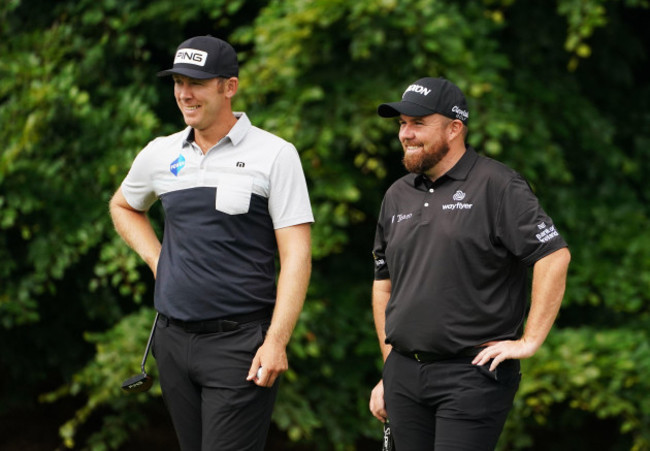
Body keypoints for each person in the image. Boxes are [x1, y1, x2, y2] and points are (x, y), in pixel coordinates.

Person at [109, 35, 313, 451]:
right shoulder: (159, 154)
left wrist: (276, 341)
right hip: (172, 341)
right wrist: (157, 259)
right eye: (178, 82)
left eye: (197, 83)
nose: (185, 93)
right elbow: (123, 206)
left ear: (229, 87)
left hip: (240, 345)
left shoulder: (275, 154)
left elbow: (297, 255)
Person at [368, 77, 571, 450]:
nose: (406, 134)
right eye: (401, 124)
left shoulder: (498, 185)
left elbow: (553, 255)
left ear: (454, 128)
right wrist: (388, 370)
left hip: (471, 375)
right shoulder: (396, 195)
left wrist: (528, 342)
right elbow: (384, 285)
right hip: (403, 373)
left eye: (418, 123)